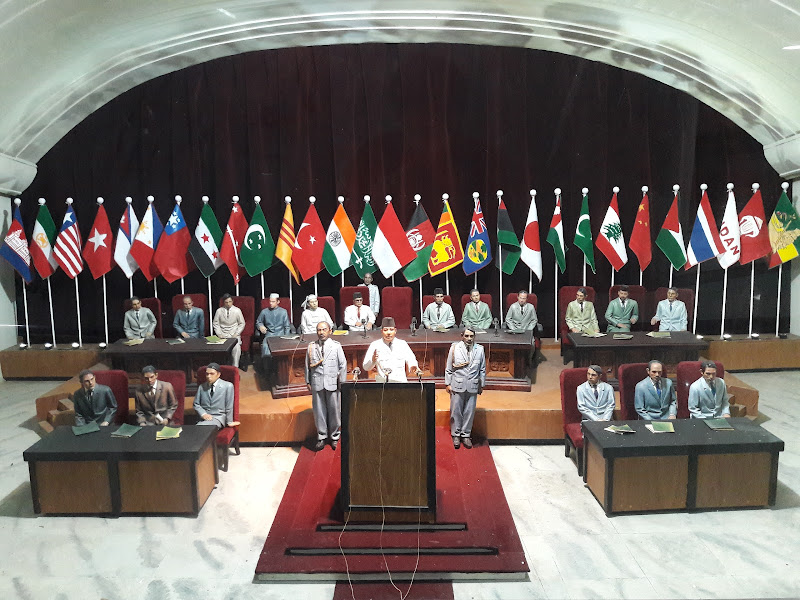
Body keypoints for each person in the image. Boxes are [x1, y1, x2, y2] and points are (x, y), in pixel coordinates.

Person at [305, 321, 347, 450]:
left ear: (330, 331)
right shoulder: (311, 346)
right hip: (317, 382)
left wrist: (342, 383)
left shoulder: (336, 346)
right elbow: (307, 366)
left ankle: (335, 436)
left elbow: (343, 365)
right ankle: (322, 436)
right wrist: (308, 381)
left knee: (334, 410)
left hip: (332, 382)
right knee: (319, 411)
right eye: (319, 330)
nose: (321, 332)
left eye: (324, 329)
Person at [445, 328, 486, 449]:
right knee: (456, 410)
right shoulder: (454, 348)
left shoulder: (480, 349)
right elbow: (449, 368)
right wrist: (448, 383)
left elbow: (482, 369)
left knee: (469, 411)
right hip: (457, 384)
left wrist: (481, 384)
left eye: (471, 336)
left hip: (472, 385)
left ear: (474, 337)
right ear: (462, 336)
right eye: (466, 336)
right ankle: (456, 434)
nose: (469, 339)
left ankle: (466, 434)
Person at [363, 317, 420, 382]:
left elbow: (411, 359)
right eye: (385, 330)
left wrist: (413, 366)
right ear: (381, 331)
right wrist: (373, 360)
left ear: (395, 331)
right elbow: (366, 367)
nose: (388, 333)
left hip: (400, 383)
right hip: (384, 384)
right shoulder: (375, 345)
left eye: (391, 329)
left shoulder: (402, 344)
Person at [193, 362, 237, 429]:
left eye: (212, 374)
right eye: (207, 374)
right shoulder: (202, 387)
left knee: (202, 428)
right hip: (203, 419)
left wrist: (229, 422)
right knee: (198, 429)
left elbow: (229, 406)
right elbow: (196, 404)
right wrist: (203, 414)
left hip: (218, 418)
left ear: (218, 374)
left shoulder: (227, 386)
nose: (208, 376)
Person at [213, 294, 246, 368]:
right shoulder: (219, 311)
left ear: (232, 301)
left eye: (230, 302)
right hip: (222, 334)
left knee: (236, 348)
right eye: (226, 302)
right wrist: (219, 334)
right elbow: (215, 323)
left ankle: (235, 367)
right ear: (223, 302)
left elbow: (242, 323)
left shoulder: (237, 310)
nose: (228, 304)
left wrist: (236, 333)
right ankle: (222, 367)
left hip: (234, 334)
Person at [256, 293, 292, 360]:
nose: (271, 303)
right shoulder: (264, 312)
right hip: (269, 335)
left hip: (281, 335)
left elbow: (287, 326)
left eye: (273, 302)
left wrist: (286, 338)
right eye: (270, 301)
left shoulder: (283, 312)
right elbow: (258, 322)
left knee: (283, 350)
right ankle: (267, 369)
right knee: (265, 347)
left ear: (278, 302)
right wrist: (261, 326)